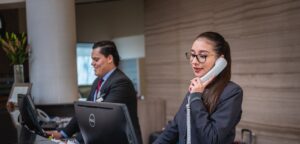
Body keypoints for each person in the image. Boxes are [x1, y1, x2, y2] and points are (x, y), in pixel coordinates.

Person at [154, 32, 243, 144]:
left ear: (220, 61)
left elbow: (211, 139)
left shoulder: (232, 92)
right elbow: (174, 128)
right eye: (192, 55)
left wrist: (196, 97)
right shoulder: (197, 88)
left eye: (202, 56)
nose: (194, 61)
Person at [47, 40, 142, 144]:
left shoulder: (121, 83)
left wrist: (75, 142)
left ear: (109, 58)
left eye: (96, 59)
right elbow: (84, 113)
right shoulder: (98, 81)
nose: (92, 63)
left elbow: (101, 120)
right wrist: (63, 134)